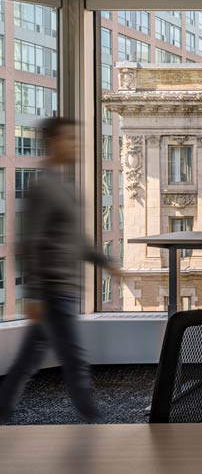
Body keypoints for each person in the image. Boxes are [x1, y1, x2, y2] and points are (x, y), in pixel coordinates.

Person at [0, 117, 119, 422]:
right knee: (74, 360)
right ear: (52, 143)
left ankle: (2, 409)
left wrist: (106, 264)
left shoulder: (67, 187)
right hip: (53, 289)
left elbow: (77, 240)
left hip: (64, 288)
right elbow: (30, 242)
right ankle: (94, 421)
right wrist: (35, 294)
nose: (77, 145)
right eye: (70, 139)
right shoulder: (43, 188)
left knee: (28, 360)